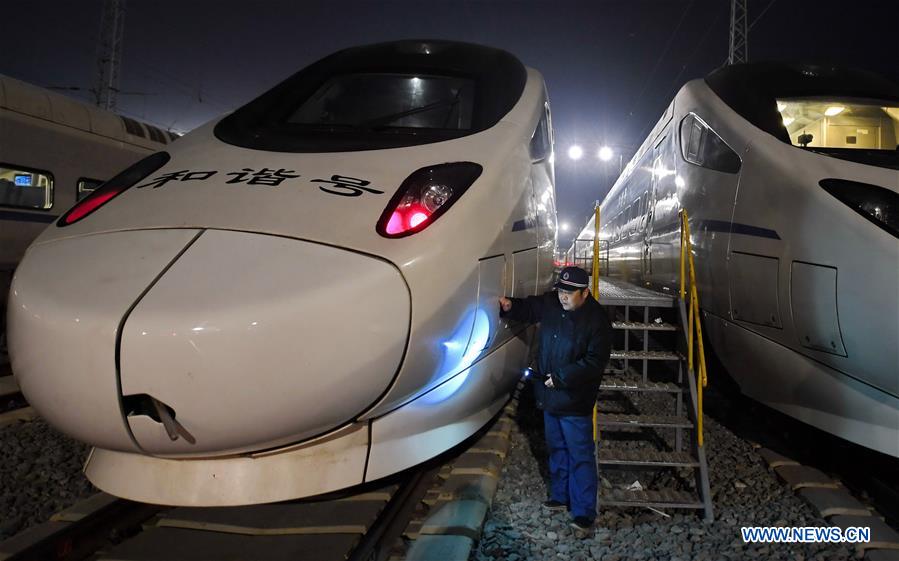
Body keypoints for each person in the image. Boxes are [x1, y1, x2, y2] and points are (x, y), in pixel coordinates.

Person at [499, 266, 612, 538]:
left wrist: (561, 378)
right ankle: (561, 496)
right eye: (561, 290)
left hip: (574, 400)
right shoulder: (550, 303)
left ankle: (584, 511)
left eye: (570, 293)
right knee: (557, 448)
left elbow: (594, 362)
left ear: (585, 292)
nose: (563, 297)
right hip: (549, 397)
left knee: (581, 456)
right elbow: (529, 309)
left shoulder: (598, 321)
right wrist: (510, 306)